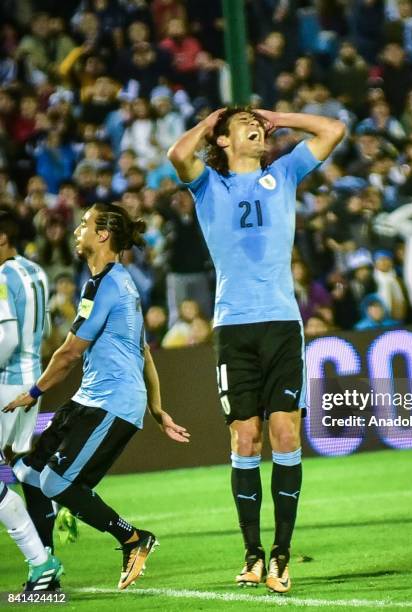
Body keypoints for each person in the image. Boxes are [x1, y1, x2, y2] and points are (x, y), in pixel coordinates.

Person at [168, 106, 345, 592]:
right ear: (224, 139)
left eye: (259, 124)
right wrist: (211, 120)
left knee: (286, 435)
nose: (258, 129)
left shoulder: (283, 172)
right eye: (245, 124)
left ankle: (282, 555)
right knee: (245, 440)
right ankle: (251, 554)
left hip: (283, 324)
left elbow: (334, 129)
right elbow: (178, 153)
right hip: (234, 328)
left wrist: (280, 116)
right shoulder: (208, 184)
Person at [3, 203, 190, 589]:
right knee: (30, 475)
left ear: (103, 235)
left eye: (85, 224)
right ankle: (45, 573)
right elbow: (144, 351)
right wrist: (157, 408)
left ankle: (133, 538)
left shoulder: (107, 286)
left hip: (111, 402)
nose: (77, 230)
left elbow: (70, 352)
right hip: (91, 398)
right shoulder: (116, 283)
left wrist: (33, 391)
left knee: (55, 483)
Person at [0, 207, 62, 591]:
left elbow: (5, 337)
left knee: (12, 470)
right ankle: (44, 558)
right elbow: (47, 327)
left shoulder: (2, 276)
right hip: (33, 377)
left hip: (7, 383)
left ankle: (41, 563)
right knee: (22, 467)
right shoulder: (36, 271)